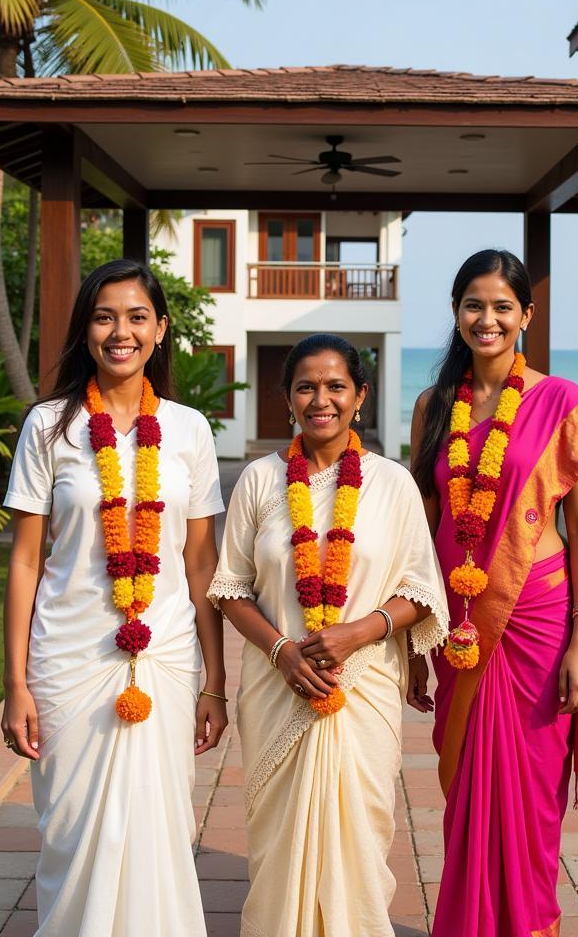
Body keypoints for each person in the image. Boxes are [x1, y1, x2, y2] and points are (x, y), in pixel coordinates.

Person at [408, 250, 578, 937]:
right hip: (457, 620)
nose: (487, 318)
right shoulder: (433, 405)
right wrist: (413, 634)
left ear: (526, 317)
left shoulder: (563, 404)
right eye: (474, 304)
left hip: (538, 620)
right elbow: (424, 525)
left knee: (534, 797)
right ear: (456, 313)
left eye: (502, 306)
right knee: (465, 797)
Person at [0, 259, 227, 936]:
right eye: (104, 317)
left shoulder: (189, 430)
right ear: (85, 330)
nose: (119, 332)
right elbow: (24, 562)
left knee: (159, 830)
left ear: (160, 328)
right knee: (70, 832)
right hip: (69, 658)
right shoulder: (48, 426)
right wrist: (14, 683)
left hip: (165, 658)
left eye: (135, 317)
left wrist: (216, 681)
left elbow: (200, 561)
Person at [208, 334, 448, 937]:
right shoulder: (261, 481)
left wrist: (359, 633)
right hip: (275, 685)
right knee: (278, 841)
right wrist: (282, 651)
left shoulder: (391, 484)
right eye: (306, 387)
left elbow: (423, 589)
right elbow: (229, 587)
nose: (322, 399)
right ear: (287, 398)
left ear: (360, 396)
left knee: (361, 837)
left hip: (363, 687)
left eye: (336, 385)